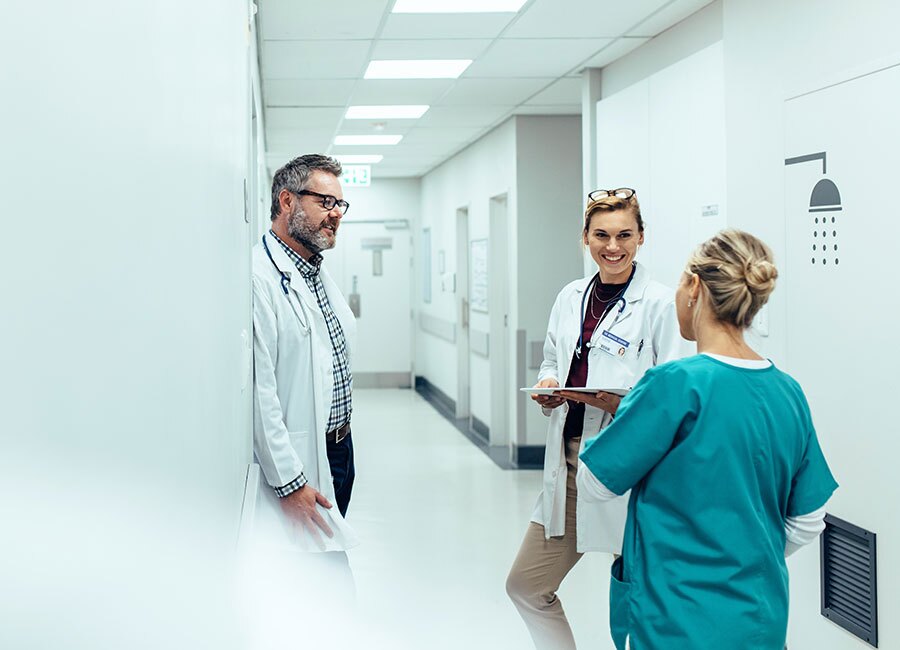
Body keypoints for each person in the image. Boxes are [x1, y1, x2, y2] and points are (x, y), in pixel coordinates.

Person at [577, 229, 838, 650]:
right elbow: (809, 519)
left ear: (694, 287)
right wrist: (741, 558)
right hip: (759, 620)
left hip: (674, 620)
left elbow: (594, 483)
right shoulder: (787, 391)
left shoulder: (674, 385)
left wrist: (626, 412)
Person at [506, 188, 691, 650]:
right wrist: (549, 387)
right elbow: (553, 358)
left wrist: (619, 406)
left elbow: (675, 394)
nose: (614, 246)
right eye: (602, 235)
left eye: (625, 234)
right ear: (585, 238)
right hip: (571, 466)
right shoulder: (571, 296)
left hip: (632, 469)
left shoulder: (660, 304)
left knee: (641, 597)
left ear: (641, 237)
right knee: (527, 587)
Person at [251, 154, 358, 558]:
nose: (335, 215)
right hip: (301, 457)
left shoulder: (313, 271)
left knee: (328, 559)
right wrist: (290, 482)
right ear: (286, 202)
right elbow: (262, 397)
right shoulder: (260, 278)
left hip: (340, 450)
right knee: (321, 579)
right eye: (325, 202)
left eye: (340, 205)